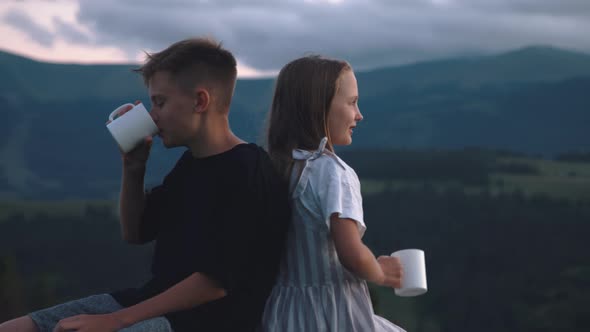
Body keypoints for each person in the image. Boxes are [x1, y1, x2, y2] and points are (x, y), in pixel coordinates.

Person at [0, 38, 290, 332]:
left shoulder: (248, 171)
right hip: (147, 304)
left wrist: (117, 320)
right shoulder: (191, 164)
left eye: (160, 101)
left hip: (199, 321)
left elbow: (216, 281)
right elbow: (136, 232)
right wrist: (134, 167)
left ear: (200, 101)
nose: (152, 115)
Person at [260, 55, 406, 331]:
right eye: (352, 102)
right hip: (332, 314)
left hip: (284, 313)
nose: (359, 114)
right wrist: (381, 272)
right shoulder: (334, 174)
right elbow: (351, 254)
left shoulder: (277, 168)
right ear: (319, 108)